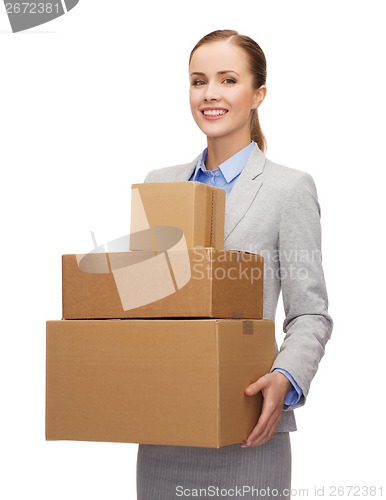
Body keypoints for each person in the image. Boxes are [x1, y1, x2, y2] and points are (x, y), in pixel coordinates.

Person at [136, 29, 333, 499]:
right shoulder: (158, 185)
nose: (210, 94)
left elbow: (311, 313)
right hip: (166, 434)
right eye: (198, 80)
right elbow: (143, 306)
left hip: (249, 433)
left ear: (257, 94)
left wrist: (286, 379)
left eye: (228, 80)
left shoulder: (289, 189)